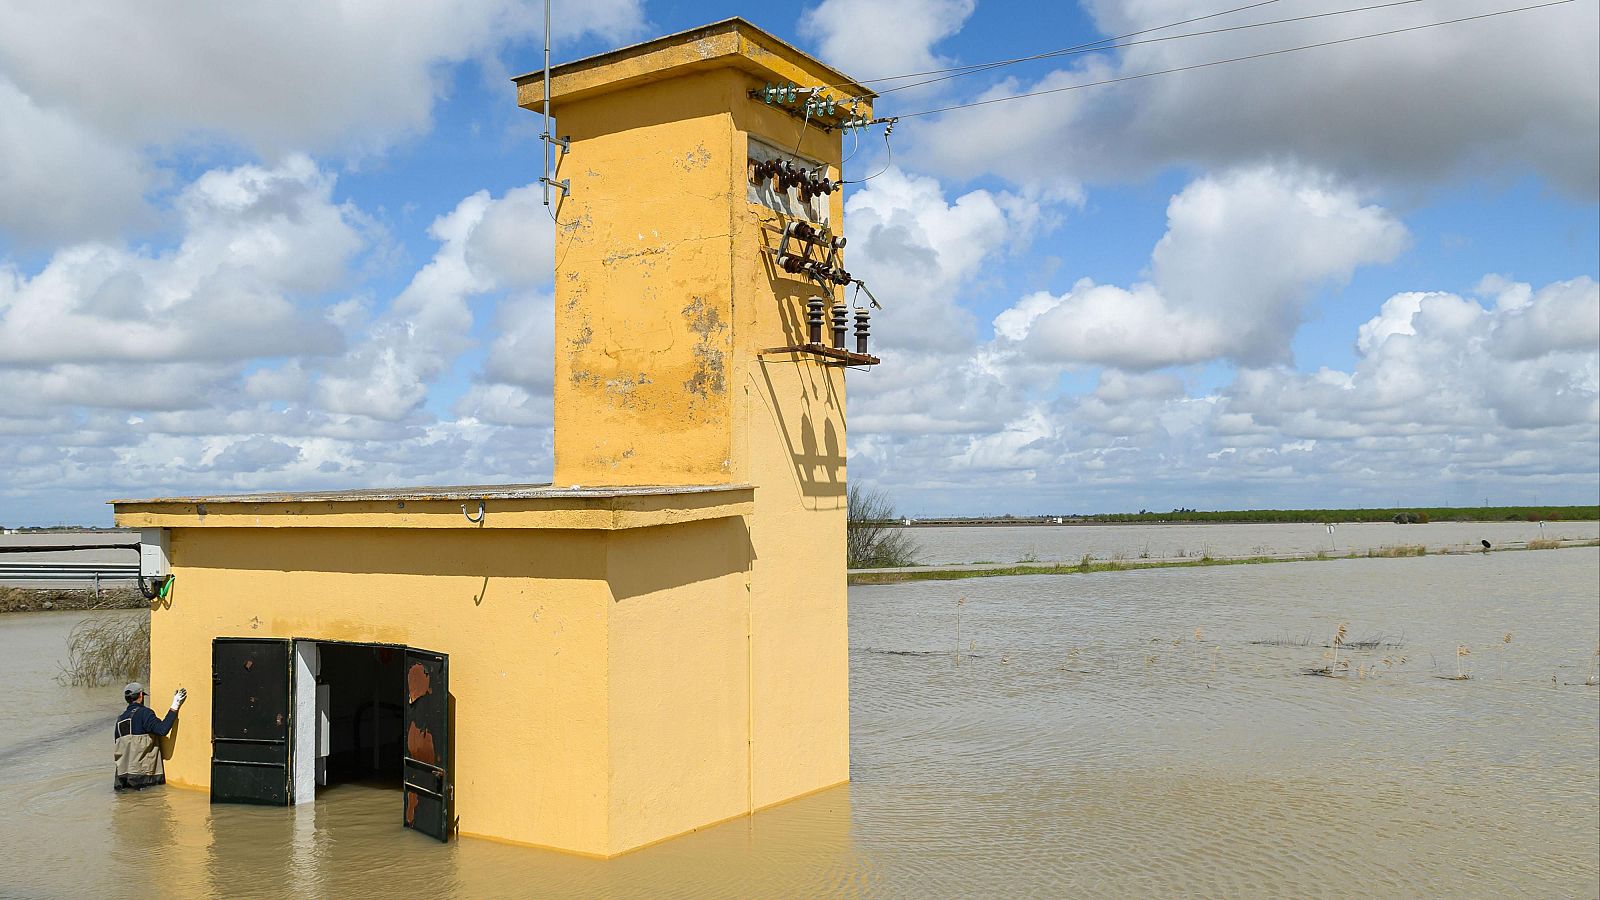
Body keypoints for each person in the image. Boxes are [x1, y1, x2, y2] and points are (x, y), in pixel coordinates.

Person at [113, 682, 186, 792]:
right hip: (143, 778)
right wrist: (175, 705)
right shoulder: (144, 713)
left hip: (122, 779)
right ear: (141, 695)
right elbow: (162, 730)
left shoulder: (120, 720)